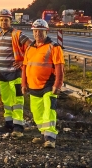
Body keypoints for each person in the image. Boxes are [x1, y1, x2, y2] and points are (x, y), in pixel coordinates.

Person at [22, 19, 64, 149]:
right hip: (33, 87)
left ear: (46, 31)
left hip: (48, 86)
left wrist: (57, 85)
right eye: (35, 31)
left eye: (41, 31)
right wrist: (24, 84)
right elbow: (24, 67)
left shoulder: (54, 47)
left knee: (49, 111)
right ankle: (43, 134)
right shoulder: (30, 48)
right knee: (37, 113)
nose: (38, 34)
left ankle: (50, 138)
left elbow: (59, 69)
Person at [0, 9, 31, 137]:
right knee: (6, 99)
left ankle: (18, 126)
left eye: (6, 20)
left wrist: (23, 62)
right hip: (2, 73)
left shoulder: (17, 34)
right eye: (2, 19)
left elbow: (31, 47)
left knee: (17, 100)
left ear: (10, 21)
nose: (4, 22)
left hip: (15, 74)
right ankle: (8, 123)